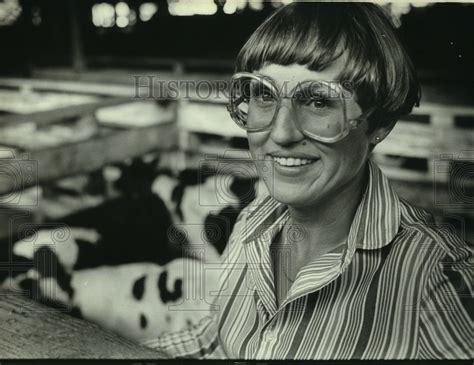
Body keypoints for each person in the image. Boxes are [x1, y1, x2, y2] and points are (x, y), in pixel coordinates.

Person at [142, 3, 472, 359]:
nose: (281, 133)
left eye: (318, 101)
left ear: (379, 125)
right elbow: (213, 343)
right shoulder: (252, 223)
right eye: (264, 95)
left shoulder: (438, 282)